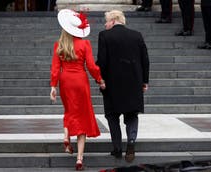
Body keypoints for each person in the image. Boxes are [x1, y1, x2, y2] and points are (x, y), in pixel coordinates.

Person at [50, 9, 105, 171]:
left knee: (69, 110)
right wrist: (100, 79)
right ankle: (79, 158)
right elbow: (92, 66)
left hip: (65, 80)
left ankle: (67, 136)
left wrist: (53, 86)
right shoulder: (84, 44)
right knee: (83, 114)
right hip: (80, 80)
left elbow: (55, 68)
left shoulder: (59, 45)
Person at [96, 10, 150, 163]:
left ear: (113, 20)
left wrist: (101, 79)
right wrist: (144, 81)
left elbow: (102, 61)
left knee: (112, 115)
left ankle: (117, 148)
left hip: (112, 84)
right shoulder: (137, 35)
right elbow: (145, 60)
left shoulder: (104, 36)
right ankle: (131, 142)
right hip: (134, 83)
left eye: (106, 21)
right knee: (132, 115)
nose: (105, 24)